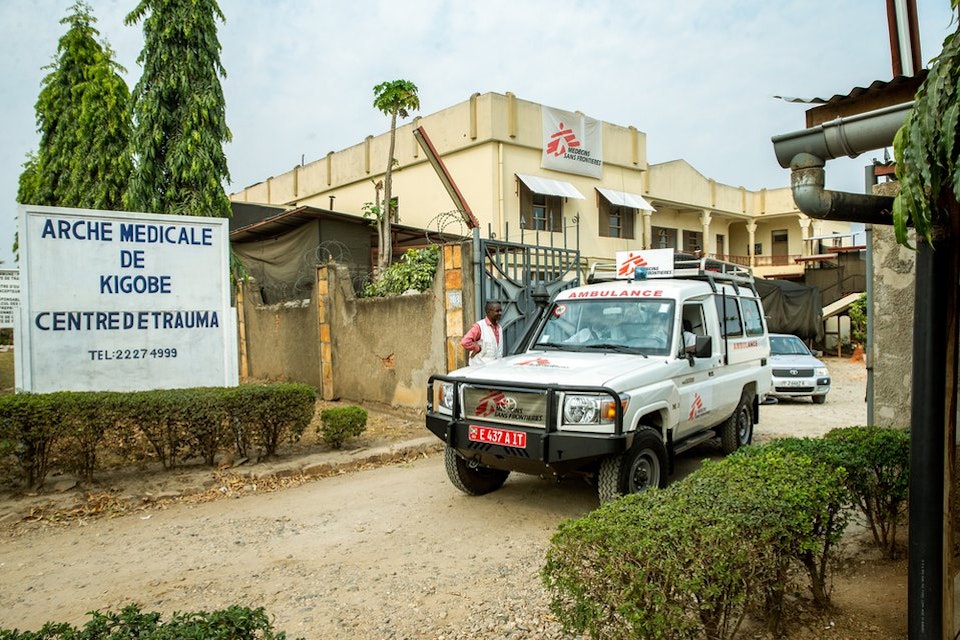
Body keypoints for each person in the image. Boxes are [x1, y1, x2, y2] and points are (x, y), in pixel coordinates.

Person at [461, 301, 503, 366]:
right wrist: (477, 348)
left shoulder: (499, 328)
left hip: (495, 368)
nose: (500, 313)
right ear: (489, 312)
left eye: (500, 311)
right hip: (480, 367)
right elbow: (465, 342)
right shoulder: (479, 326)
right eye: (497, 311)